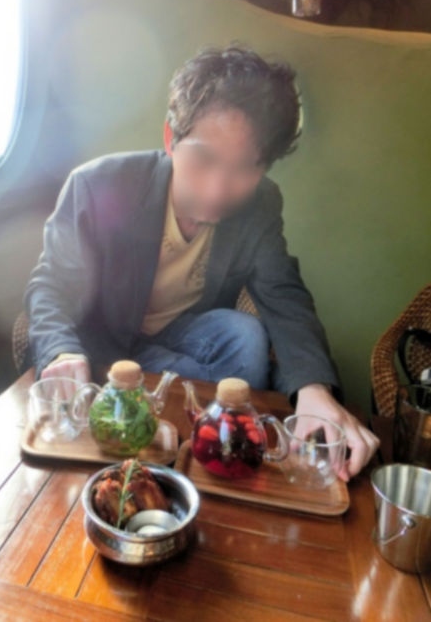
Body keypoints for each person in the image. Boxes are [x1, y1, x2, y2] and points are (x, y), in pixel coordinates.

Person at [25, 45, 379, 480]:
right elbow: (51, 286)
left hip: (179, 340)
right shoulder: (98, 186)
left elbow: (284, 294)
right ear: (171, 138)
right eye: (204, 159)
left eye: (245, 169)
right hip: (105, 352)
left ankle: (211, 451)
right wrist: (62, 353)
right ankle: (180, 439)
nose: (217, 190)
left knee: (245, 334)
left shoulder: (261, 204)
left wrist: (314, 389)